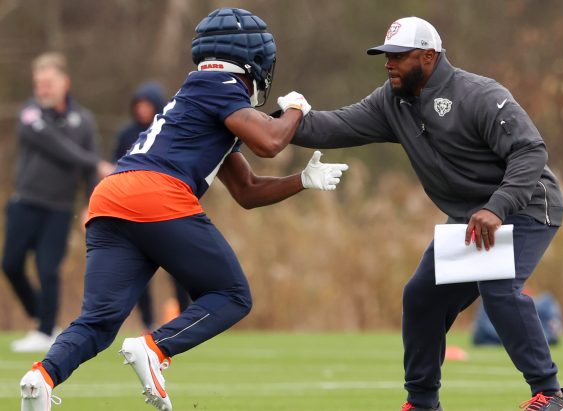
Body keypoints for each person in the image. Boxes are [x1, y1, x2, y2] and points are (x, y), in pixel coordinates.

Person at [18, 8, 348, 411]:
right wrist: (296, 108)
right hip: (156, 193)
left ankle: (42, 377)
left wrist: (301, 180)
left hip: (111, 197)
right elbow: (270, 142)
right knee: (232, 294)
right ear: (254, 60)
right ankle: (155, 349)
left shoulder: (198, 97)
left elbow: (246, 190)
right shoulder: (220, 85)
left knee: (99, 320)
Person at [291, 16, 563, 411]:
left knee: (498, 288)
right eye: (385, 56)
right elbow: (331, 127)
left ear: (428, 55)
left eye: (398, 56)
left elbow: (530, 151)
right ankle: (422, 402)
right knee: (422, 297)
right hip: (473, 216)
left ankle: (552, 396)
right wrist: (281, 118)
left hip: (526, 204)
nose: (388, 63)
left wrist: (498, 206)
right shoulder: (392, 101)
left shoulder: (479, 94)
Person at [2, 52, 114, 353]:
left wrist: (93, 201)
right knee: (10, 264)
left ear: (65, 82)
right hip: (25, 203)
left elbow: (91, 172)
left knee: (48, 269)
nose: (42, 89)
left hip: (59, 208)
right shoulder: (30, 113)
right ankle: (44, 318)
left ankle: (45, 330)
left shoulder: (84, 120)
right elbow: (56, 146)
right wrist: (96, 162)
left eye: (48, 83)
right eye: (38, 83)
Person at [113, 81, 191, 330]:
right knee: (138, 272)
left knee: (179, 269)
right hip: (133, 213)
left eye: (147, 105)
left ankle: (185, 318)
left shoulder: (171, 131)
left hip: (167, 210)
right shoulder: (126, 134)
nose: (142, 110)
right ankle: (147, 322)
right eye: (139, 105)